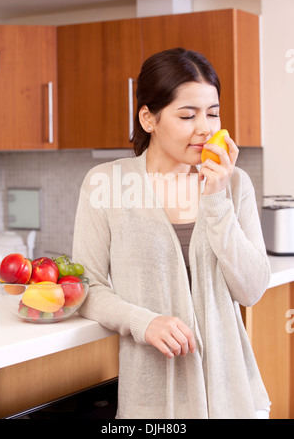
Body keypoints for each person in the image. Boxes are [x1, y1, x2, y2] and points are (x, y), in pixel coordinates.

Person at [72, 48, 271, 419]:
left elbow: (253, 289)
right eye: (187, 115)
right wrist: (143, 322)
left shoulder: (234, 184)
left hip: (234, 396)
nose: (206, 128)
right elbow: (88, 289)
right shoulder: (105, 183)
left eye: (213, 113)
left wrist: (216, 200)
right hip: (155, 400)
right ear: (148, 118)